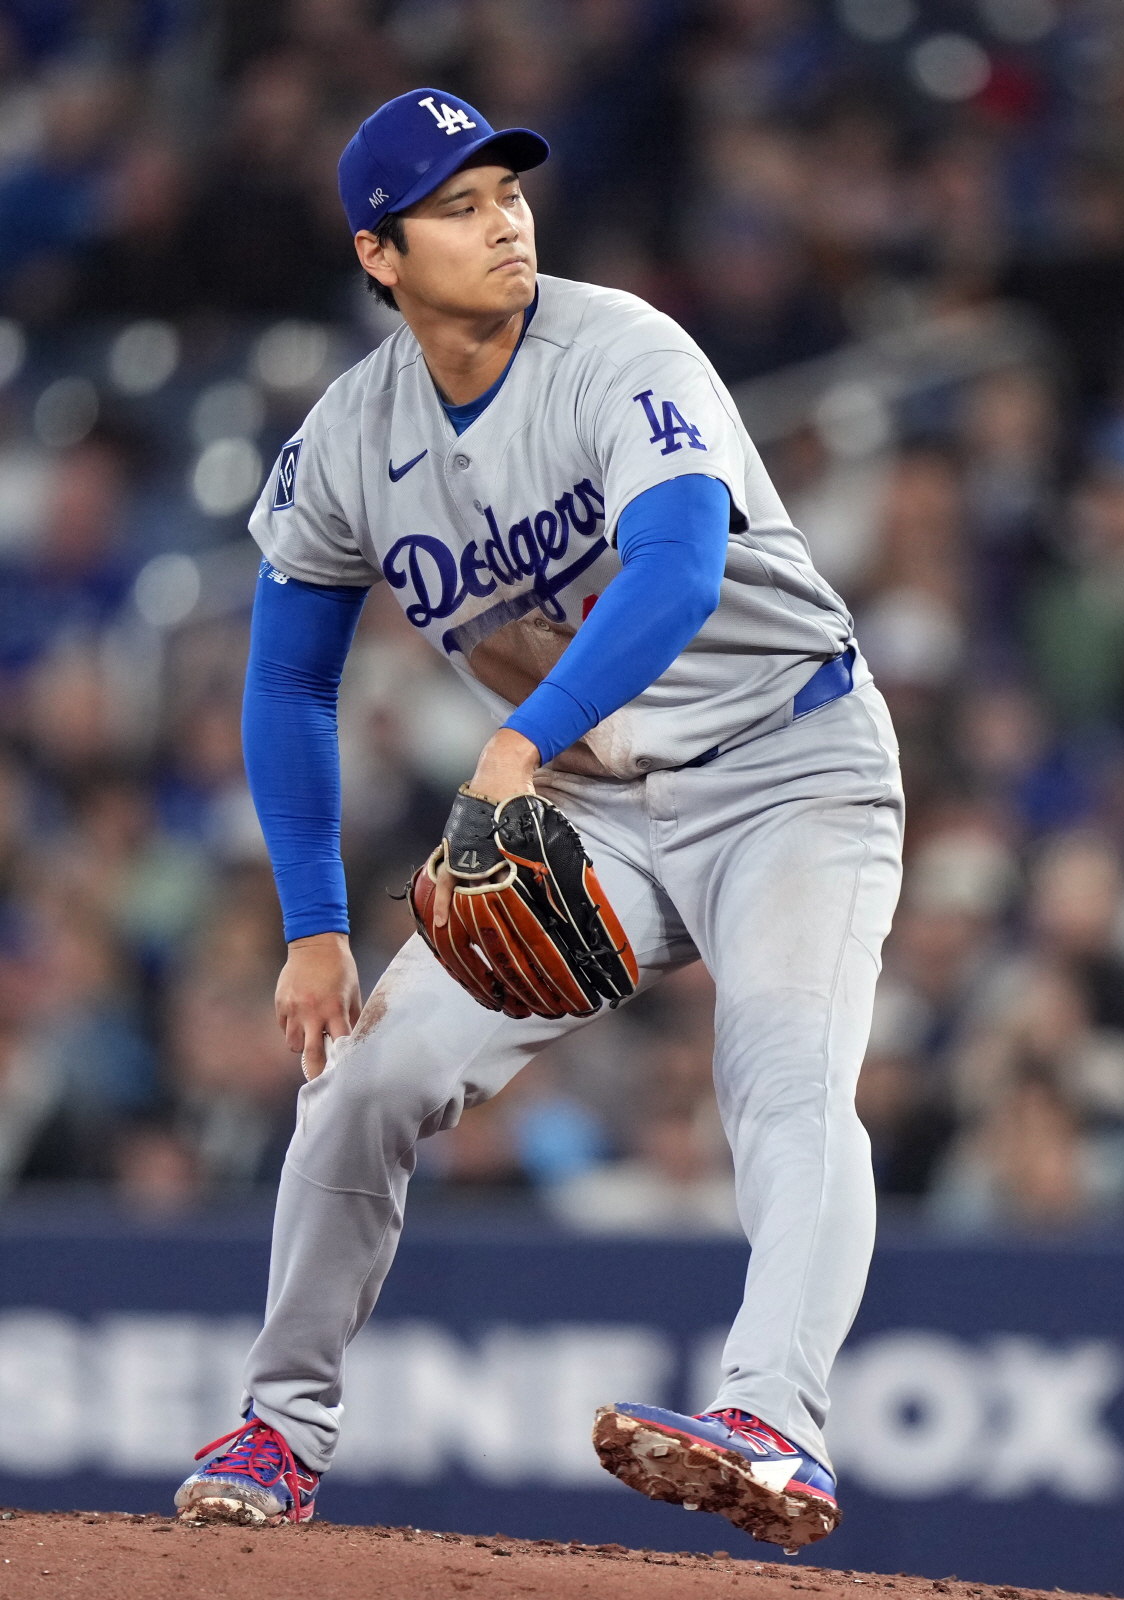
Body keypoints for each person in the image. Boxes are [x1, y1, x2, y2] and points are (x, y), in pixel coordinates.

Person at [174, 88, 903, 1552]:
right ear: (379, 254)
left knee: (780, 1067)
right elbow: (288, 683)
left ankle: (777, 1424)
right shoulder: (348, 441)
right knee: (366, 1081)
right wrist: (315, 928)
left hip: (789, 760)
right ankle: (278, 1431)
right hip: (596, 811)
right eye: (455, 204)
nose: (502, 216)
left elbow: (682, 564)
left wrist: (519, 737)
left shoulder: (620, 346)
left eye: (506, 188)